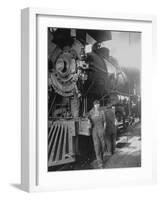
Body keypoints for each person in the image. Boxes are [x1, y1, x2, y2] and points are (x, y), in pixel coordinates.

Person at [88, 100, 106, 169]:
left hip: (101, 129)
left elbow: (105, 122)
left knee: (103, 145)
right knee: (97, 146)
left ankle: (101, 157)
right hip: (94, 130)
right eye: (96, 104)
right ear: (94, 105)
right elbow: (87, 117)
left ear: (99, 105)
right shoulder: (91, 112)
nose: (97, 105)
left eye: (98, 104)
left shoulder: (102, 112)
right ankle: (100, 163)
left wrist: (104, 129)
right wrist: (88, 121)